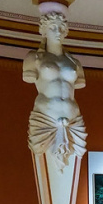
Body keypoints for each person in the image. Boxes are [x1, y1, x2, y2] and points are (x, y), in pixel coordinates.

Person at [23, 12, 87, 169]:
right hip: (45, 119)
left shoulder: (75, 63)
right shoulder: (33, 58)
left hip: (73, 120)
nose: (58, 32)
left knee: (71, 165)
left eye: (61, 28)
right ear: (43, 31)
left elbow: (78, 83)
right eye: (52, 27)